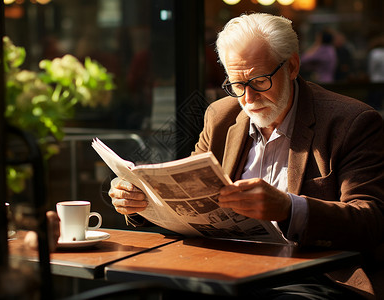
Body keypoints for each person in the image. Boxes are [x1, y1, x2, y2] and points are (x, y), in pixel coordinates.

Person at [109, 13, 384, 300]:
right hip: (229, 266)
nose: (248, 99)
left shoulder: (351, 121)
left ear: (291, 66)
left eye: (259, 81)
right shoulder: (221, 116)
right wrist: (141, 201)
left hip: (313, 276)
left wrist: (289, 209)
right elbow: (188, 197)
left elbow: (372, 221)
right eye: (237, 85)